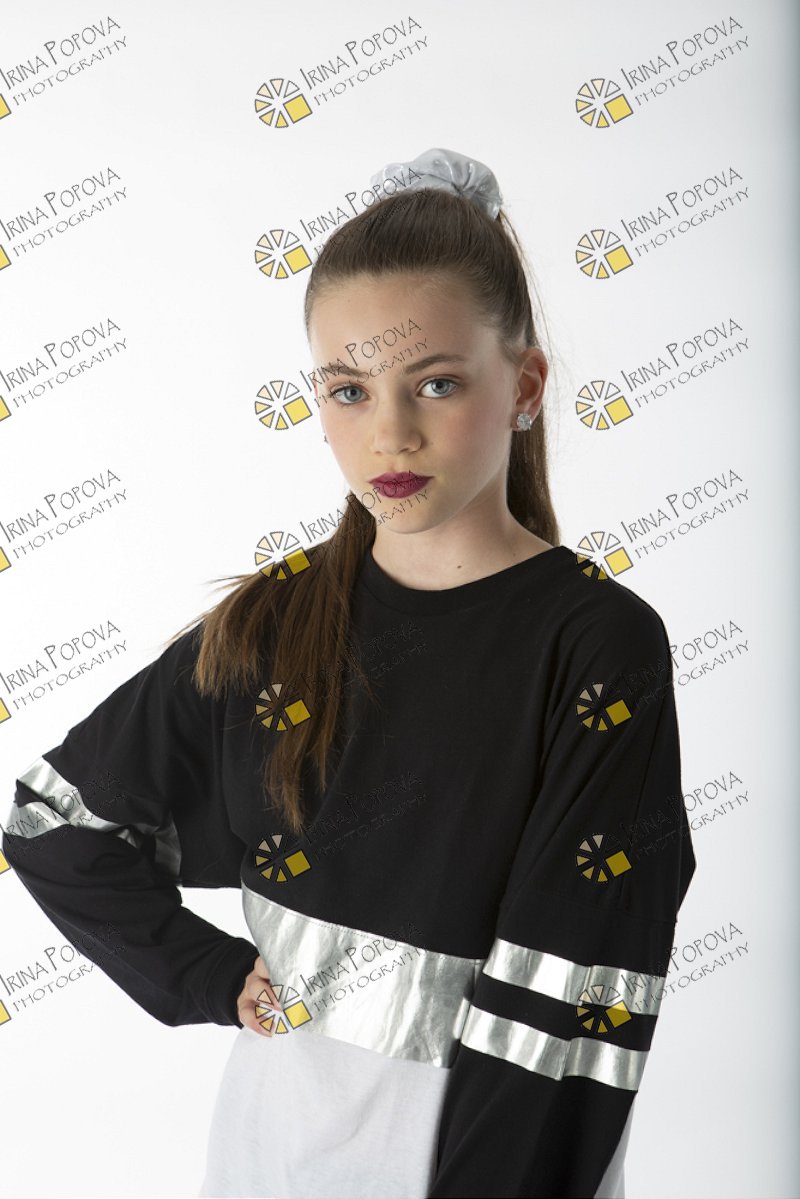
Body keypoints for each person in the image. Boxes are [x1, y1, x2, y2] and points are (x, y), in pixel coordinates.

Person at [1, 147, 697, 1199]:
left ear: (524, 385)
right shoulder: (275, 623)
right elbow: (53, 822)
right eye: (349, 389)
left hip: (480, 1152)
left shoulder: (595, 644)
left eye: (436, 383)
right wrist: (206, 974)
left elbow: (579, 974)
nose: (391, 432)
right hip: (270, 1144)